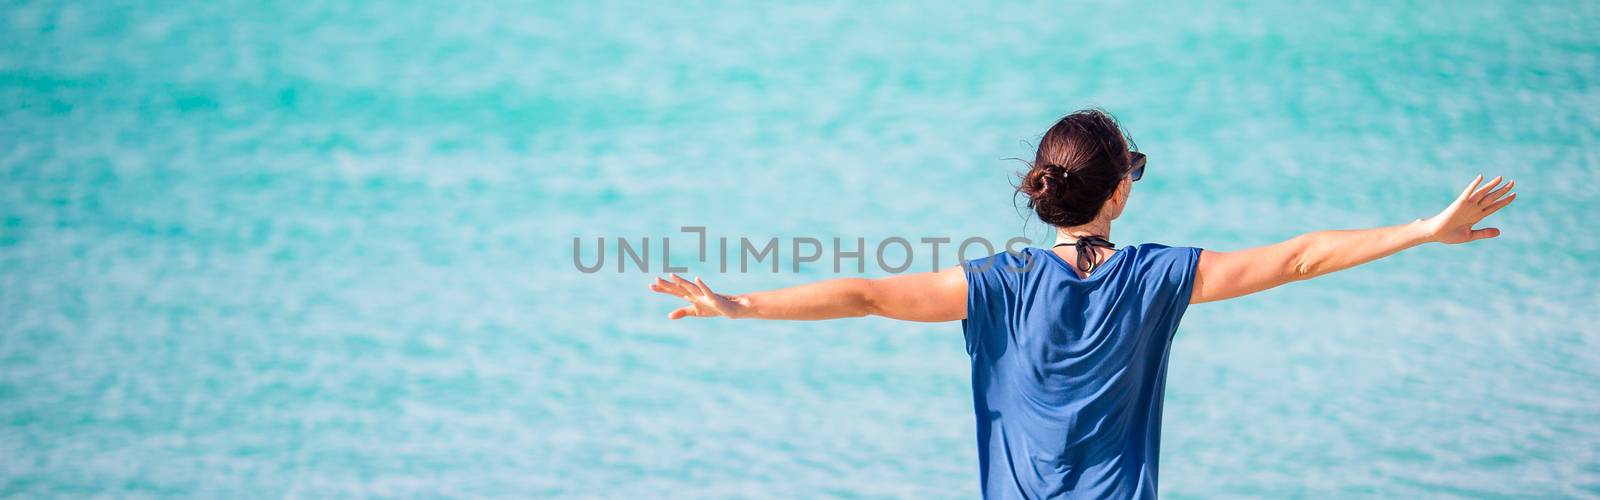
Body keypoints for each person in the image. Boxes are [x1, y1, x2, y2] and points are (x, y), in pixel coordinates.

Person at [646, 109, 1517, 499]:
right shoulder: (1158, 278)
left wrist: (740, 303)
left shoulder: (992, 286)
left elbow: (867, 294)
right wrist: (1422, 228)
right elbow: (1297, 257)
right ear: (1119, 195)